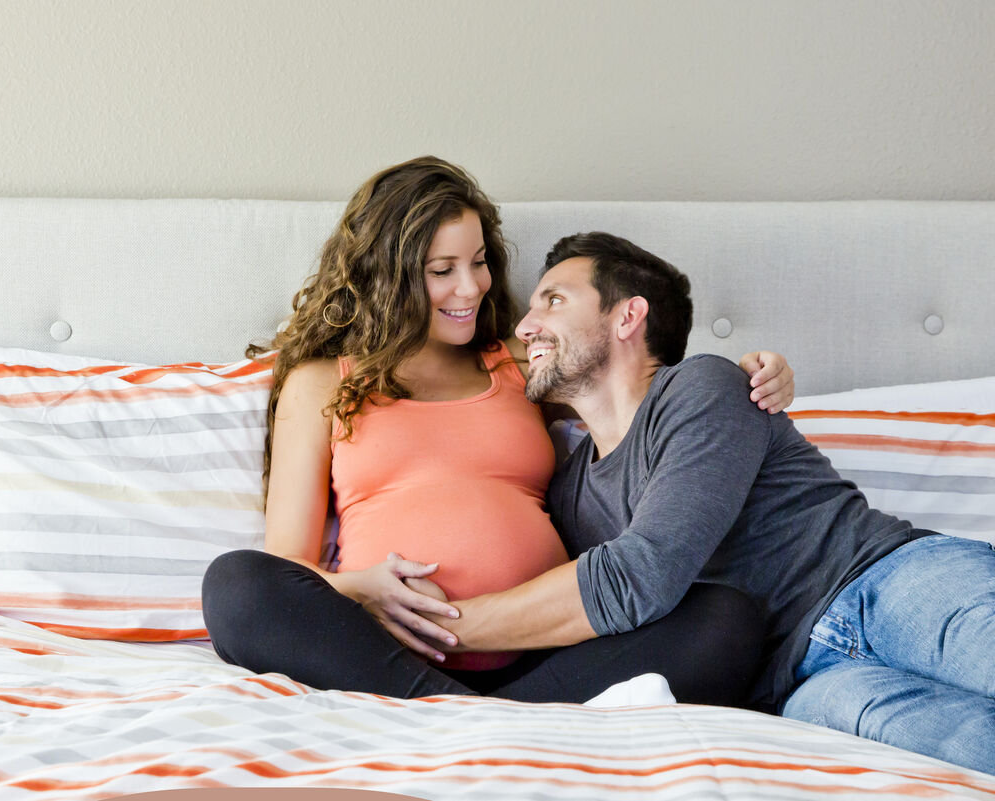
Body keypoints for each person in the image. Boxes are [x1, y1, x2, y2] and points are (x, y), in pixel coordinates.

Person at [202, 156, 792, 704]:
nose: (471, 287)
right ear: (385, 274)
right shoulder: (321, 384)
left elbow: (637, 398)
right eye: (442, 270)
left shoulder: (521, 361)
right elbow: (289, 564)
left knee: (727, 619)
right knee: (236, 584)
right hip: (381, 652)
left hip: (549, 656)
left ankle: (460, 716)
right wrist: (362, 588)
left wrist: (748, 377)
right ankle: (457, 710)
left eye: (479, 261)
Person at [426, 230, 994, 774]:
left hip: (884, 582)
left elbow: (642, 573)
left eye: (553, 300)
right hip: (799, 682)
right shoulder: (569, 494)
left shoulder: (703, 387)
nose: (526, 326)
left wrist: (436, 626)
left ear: (628, 315)